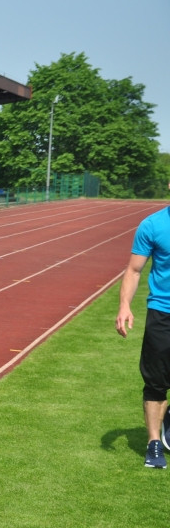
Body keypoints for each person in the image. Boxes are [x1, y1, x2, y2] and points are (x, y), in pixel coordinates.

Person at [116, 195, 170, 468]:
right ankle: (153, 444)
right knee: (156, 381)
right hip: (163, 312)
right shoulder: (152, 225)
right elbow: (134, 270)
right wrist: (124, 305)